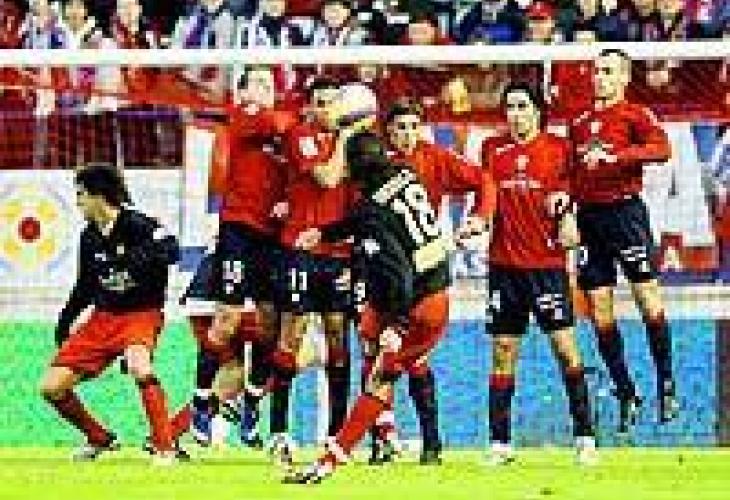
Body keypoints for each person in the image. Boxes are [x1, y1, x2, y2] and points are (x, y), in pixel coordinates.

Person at [286, 130, 451, 484]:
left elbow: (399, 271)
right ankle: (389, 431)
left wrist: (399, 326)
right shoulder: (404, 174)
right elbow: (370, 219)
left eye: (348, 162)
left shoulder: (373, 212)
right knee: (371, 340)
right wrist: (324, 233)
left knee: (381, 374)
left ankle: (331, 462)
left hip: (418, 302)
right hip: (431, 287)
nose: (344, 169)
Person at [481, 83, 597, 466]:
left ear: (537, 111)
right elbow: (486, 197)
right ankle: (500, 443)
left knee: (565, 349)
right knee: (503, 352)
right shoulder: (492, 150)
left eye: (522, 106)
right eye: (510, 107)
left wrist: (570, 216)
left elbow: (575, 191)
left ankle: (585, 437)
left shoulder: (559, 149)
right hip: (504, 268)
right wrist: (477, 222)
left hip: (547, 267)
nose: (515, 114)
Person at [40, 163, 180, 464]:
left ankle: (165, 447)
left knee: (140, 367)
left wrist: (134, 259)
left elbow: (172, 250)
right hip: (103, 318)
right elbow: (85, 286)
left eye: (81, 194)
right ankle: (99, 438)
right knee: (51, 387)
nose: (77, 202)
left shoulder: (140, 225)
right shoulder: (89, 238)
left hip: (141, 314)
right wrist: (65, 321)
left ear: (99, 195)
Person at [570, 49, 677, 434]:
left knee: (648, 299)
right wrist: (566, 209)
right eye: (596, 71)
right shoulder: (580, 122)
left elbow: (662, 150)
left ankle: (666, 383)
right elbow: (572, 171)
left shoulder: (636, 115)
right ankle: (626, 391)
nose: (599, 78)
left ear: (624, 78)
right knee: (600, 312)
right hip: (589, 219)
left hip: (625, 214)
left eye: (608, 72)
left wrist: (619, 156)